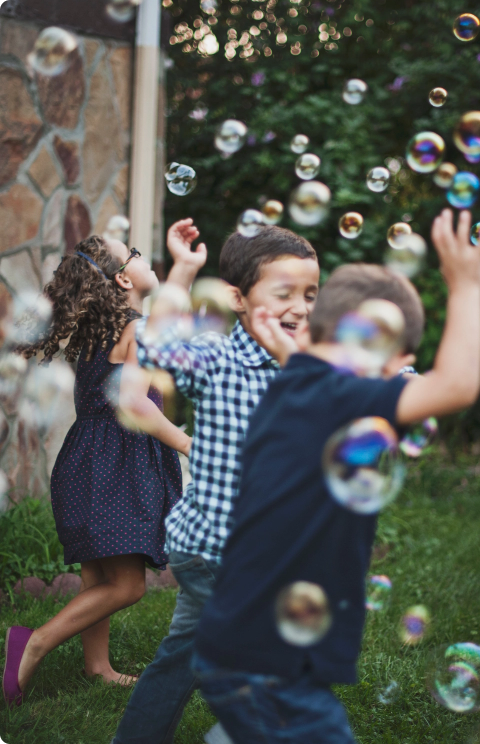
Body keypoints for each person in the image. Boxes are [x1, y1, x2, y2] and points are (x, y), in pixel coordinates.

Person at [190, 208, 480, 744]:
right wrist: (464, 283)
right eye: (401, 359)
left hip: (239, 645)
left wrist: (291, 348)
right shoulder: (337, 392)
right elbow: (459, 385)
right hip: (267, 664)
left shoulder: (294, 381)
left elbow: (305, 363)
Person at [111, 219, 320, 744]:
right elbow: (157, 345)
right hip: (214, 550)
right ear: (240, 298)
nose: (301, 306)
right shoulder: (218, 357)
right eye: (285, 292)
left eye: (311, 293)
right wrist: (181, 270)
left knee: (183, 656)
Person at [2, 236, 188, 708]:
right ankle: (35, 643)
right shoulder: (137, 329)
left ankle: (97, 667)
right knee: (125, 586)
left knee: (98, 578)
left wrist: (185, 267)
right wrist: (191, 444)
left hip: (83, 459)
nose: (144, 258)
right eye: (136, 254)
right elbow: (134, 405)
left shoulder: (97, 333)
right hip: (118, 464)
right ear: (124, 279)